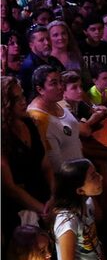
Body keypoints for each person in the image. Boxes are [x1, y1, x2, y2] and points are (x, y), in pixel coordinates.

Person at [1, 77, 53, 238]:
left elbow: (46, 165)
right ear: (4, 105)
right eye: (16, 99)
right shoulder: (3, 137)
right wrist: (42, 209)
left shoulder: (31, 124)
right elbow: (11, 189)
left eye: (23, 96)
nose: (23, 102)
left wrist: (54, 195)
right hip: (21, 203)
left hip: (44, 194)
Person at [53, 158, 107, 260]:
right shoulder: (67, 224)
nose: (100, 177)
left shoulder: (88, 203)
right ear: (79, 190)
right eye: (93, 176)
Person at [27, 65, 84, 172]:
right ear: (40, 89)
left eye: (60, 82)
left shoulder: (58, 102)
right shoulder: (38, 118)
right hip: (68, 179)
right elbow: (53, 163)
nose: (61, 87)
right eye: (54, 83)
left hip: (80, 171)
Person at [20, 25, 63, 99]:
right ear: (31, 45)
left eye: (48, 39)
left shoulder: (54, 61)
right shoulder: (29, 66)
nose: (47, 43)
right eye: (41, 40)